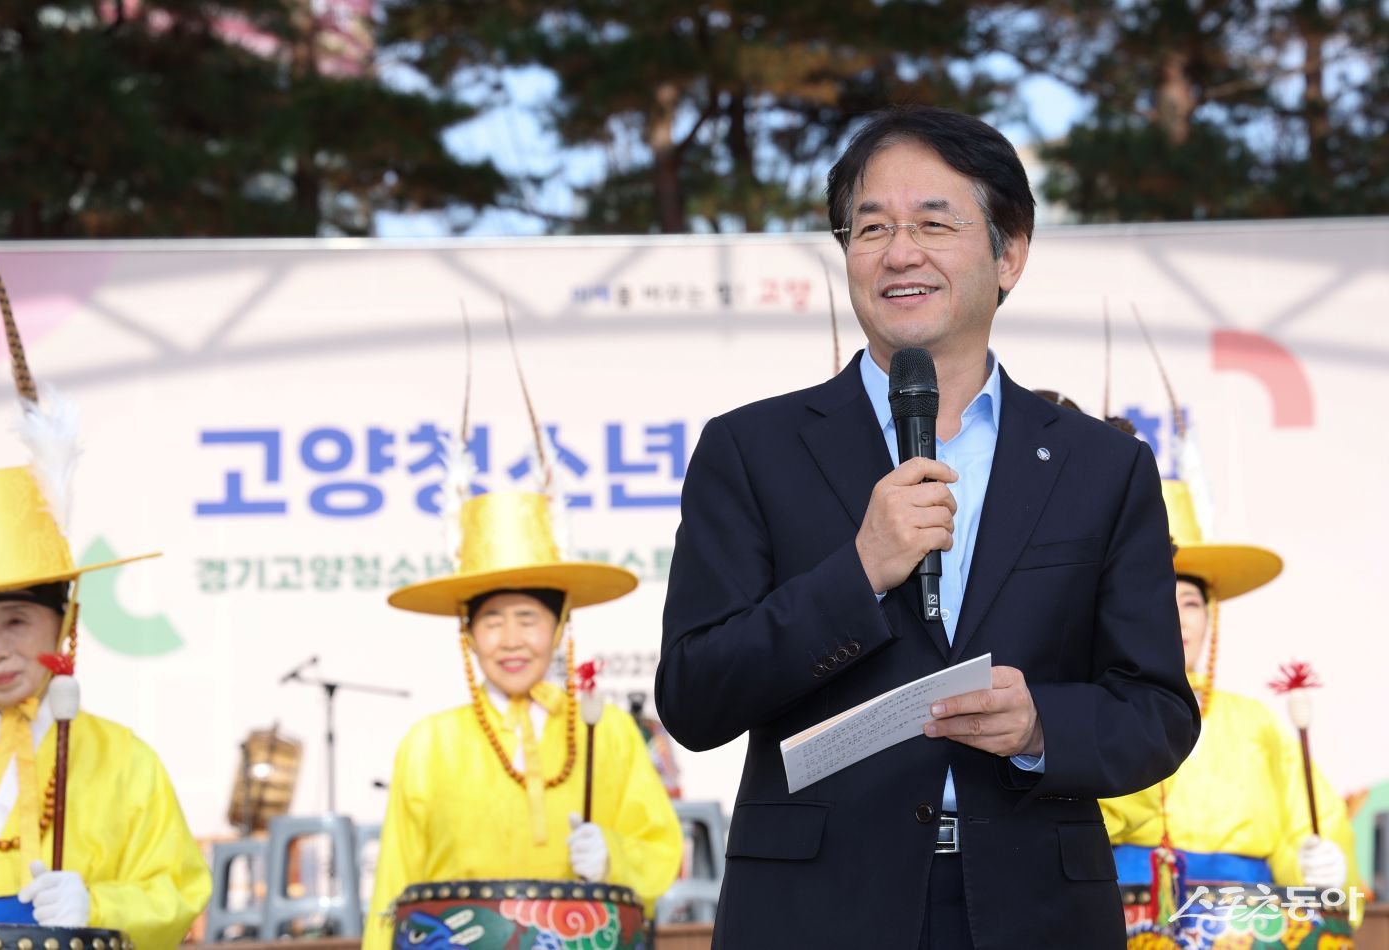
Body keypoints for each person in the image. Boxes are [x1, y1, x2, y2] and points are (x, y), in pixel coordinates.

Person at [656, 105, 1200, 948]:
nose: (898, 252)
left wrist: (1039, 727)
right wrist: (859, 572)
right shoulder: (751, 448)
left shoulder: (1102, 466)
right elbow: (693, 698)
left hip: (1034, 909)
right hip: (816, 913)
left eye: (933, 223)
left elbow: (1156, 710)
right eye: (871, 227)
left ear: (1008, 253)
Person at [364, 490, 683, 950]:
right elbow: (396, 876)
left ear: (557, 630)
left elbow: (659, 847)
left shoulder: (606, 731)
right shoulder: (429, 742)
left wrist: (612, 855)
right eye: (492, 621)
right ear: (469, 635)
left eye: (528, 619)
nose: (511, 640)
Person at [1101, 479, 1360, 943]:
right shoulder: (1100, 708)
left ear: (1211, 615)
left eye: (1191, 602)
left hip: (1241, 927)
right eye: (1161, 600)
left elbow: (1306, 822)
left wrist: (1323, 864)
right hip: (1118, 915)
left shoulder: (1256, 724)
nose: (1178, 618)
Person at [0, 465, 211, 947]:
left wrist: (97, 906)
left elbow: (177, 891)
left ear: (66, 621)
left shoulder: (126, 760)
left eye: (16, 621)